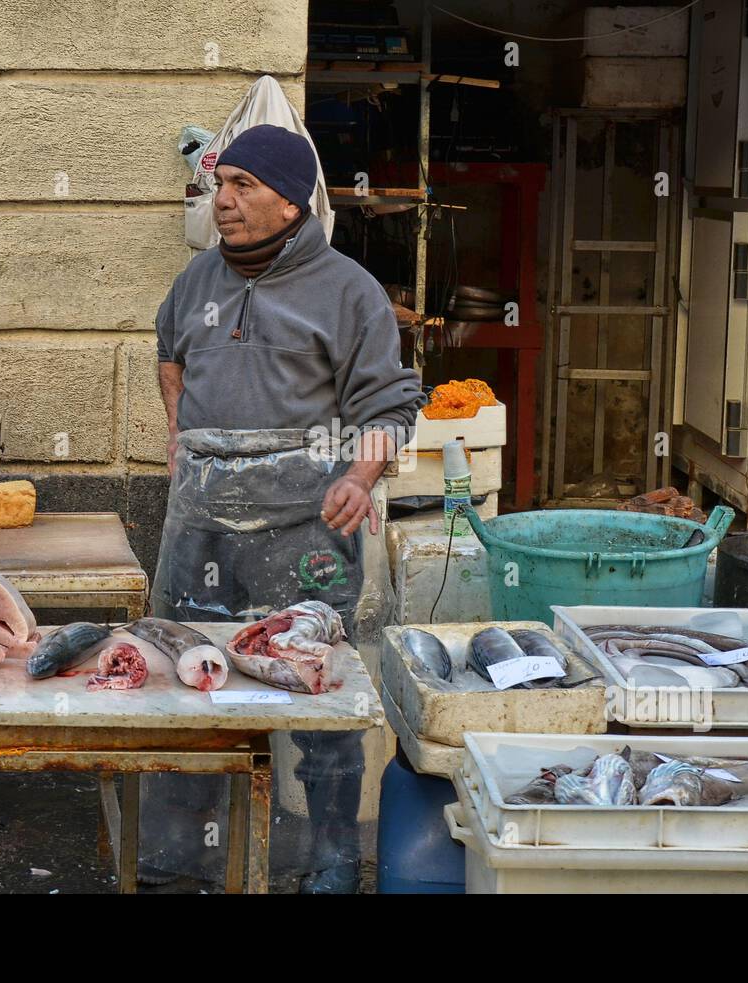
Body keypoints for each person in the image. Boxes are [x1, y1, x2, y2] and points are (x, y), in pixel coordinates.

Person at [148, 124, 423, 893]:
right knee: (190, 685)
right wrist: (179, 435)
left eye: (242, 186)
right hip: (198, 527)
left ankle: (329, 856)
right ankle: (184, 854)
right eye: (219, 184)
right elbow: (167, 349)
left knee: (314, 696)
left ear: (291, 201)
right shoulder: (198, 280)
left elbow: (393, 403)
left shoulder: (348, 291)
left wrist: (360, 477)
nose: (223, 201)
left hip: (304, 530)